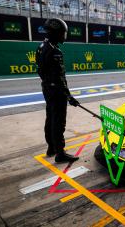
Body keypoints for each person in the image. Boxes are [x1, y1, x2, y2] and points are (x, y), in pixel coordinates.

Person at [36, 18, 80, 163]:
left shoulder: (41, 46)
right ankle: (60, 153)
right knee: (58, 122)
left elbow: (40, 71)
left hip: (47, 88)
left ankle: (51, 148)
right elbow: (60, 77)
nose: (63, 36)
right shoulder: (55, 51)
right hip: (56, 92)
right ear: (55, 33)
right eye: (62, 33)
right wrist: (69, 97)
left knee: (50, 118)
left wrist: (49, 84)